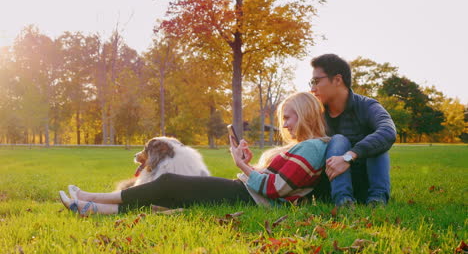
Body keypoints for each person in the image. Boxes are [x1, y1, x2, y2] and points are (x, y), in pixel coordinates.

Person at [59, 92, 330, 215]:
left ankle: (90, 198)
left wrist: (241, 166)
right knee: (169, 197)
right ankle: (93, 209)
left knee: (168, 184)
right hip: (248, 193)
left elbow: (277, 188)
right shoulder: (303, 147)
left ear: (305, 114)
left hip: (252, 200)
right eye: (283, 118)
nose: (284, 125)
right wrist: (249, 165)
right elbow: (274, 179)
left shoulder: (313, 147)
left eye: (289, 117)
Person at [309, 54, 397, 207]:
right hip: (329, 186)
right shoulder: (314, 113)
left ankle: (377, 201)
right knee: (338, 140)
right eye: (311, 82)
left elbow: (388, 131)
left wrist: (349, 156)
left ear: (337, 80)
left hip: (365, 184)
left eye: (316, 81)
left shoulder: (367, 106)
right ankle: (343, 202)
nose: (312, 89)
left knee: (376, 141)